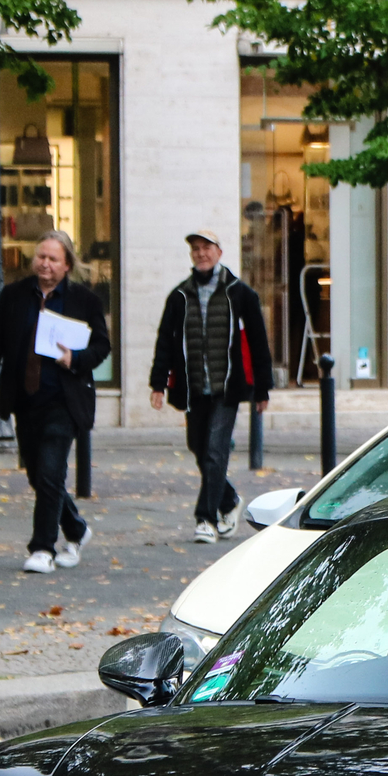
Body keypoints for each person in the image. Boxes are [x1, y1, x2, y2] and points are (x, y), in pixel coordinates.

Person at [0, 230, 112, 576]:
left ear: (67, 265)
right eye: (40, 257)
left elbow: (102, 347)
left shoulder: (85, 301)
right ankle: (76, 530)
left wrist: (75, 359)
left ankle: (42, 548)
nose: (44, 264)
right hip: (25, 399)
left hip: (64, 400)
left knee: (51, 471)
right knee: (38, 475)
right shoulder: (15, 295)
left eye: (52, 259)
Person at [149, 229, 274, 545]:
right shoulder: (179, 296)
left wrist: (262, 388)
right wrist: (158, 383)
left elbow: (258, 342)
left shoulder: (240, 293)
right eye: (195, 249)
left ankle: (205, 519)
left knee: (216, 452)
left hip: (226, 388)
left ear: (219, 252)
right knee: (198, 447)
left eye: (206, 248)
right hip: (194, 388)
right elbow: (165, 341)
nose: (201, 253)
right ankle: (229, 500)